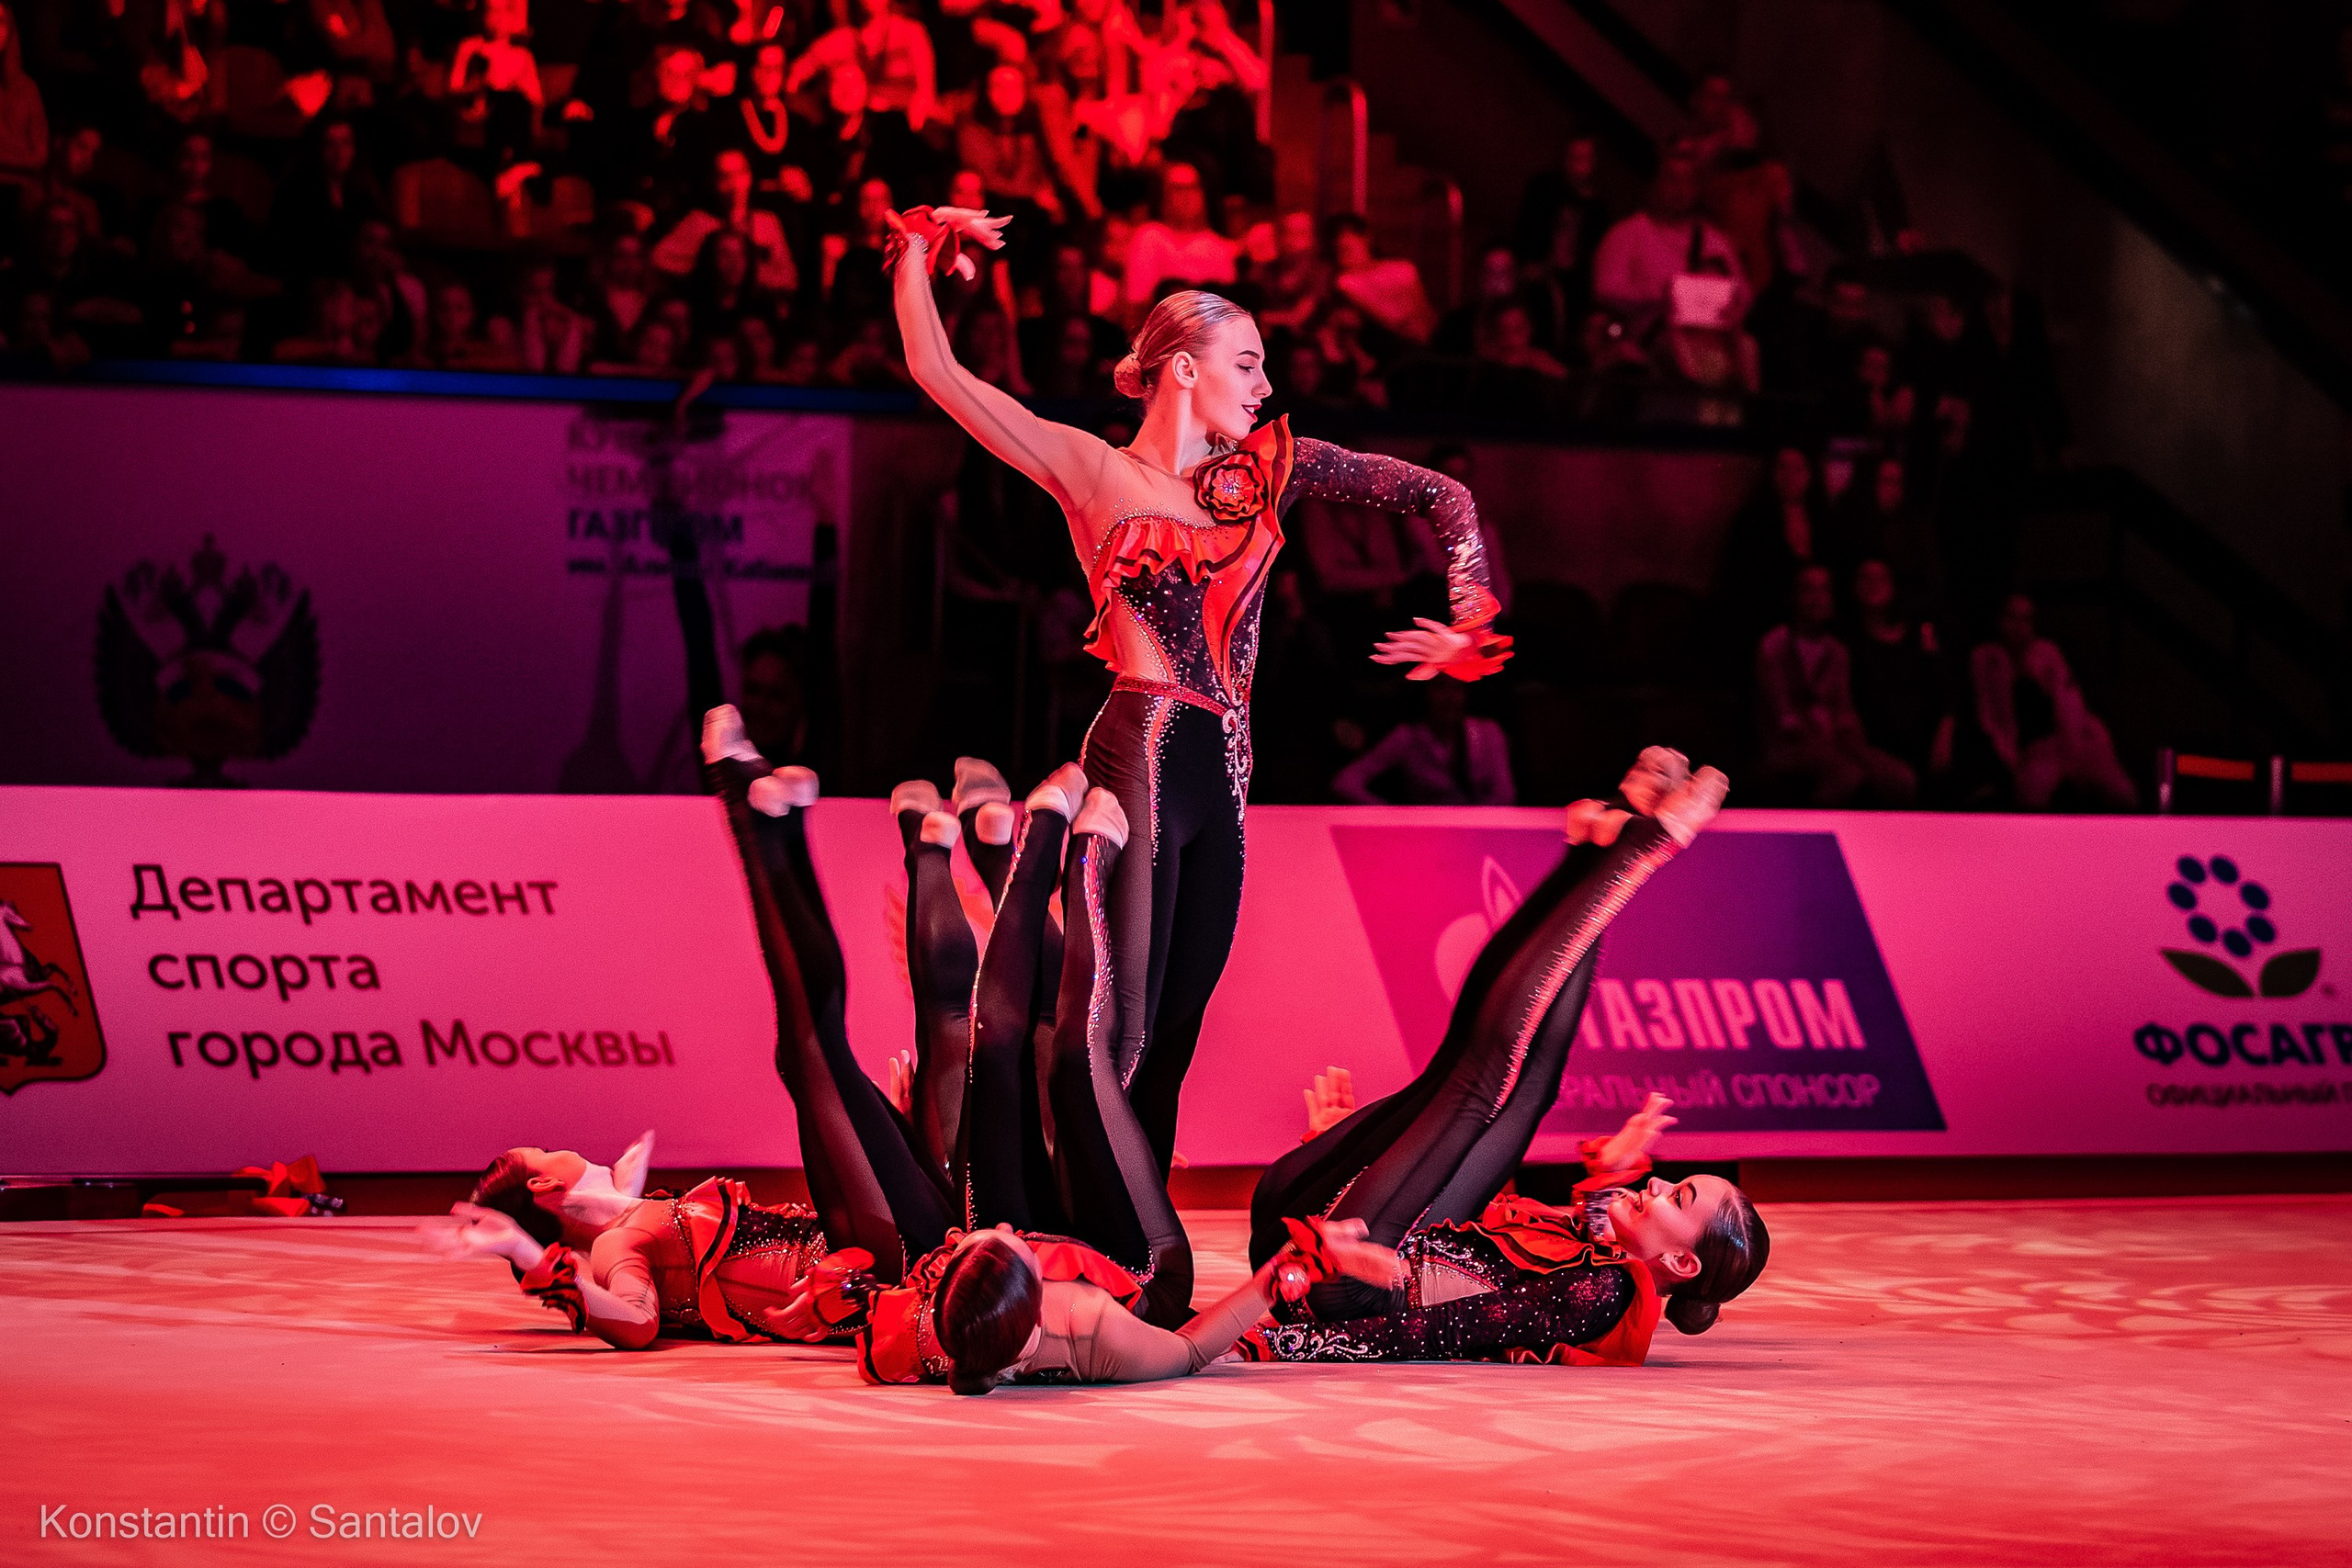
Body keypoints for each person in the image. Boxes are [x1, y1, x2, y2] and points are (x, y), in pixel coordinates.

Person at [889, 203, 1510, 1185]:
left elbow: (1444, 495)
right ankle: (1061, 1212)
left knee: (1174, 1034)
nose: (1265, 387)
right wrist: (919, 247)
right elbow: (940, 374)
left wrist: (1471, 606)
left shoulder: (1265, 477)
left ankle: (1126, 1234)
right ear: (1184, 368)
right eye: (1248, 364)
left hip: (1224, 780)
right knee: (1122, 1028)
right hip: (1139, 746)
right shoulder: (1094, 470)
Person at [1245, 750, 1770, 1364]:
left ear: (1681, 1261)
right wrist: (1607, 1176)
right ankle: (1600, 848)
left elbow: (1446, 1331)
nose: (1657, 1181)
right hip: (1329, 1240)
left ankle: (1629, 849)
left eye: (1676, 1197)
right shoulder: (1606, 1253)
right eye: (1676, 1182)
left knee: (1483, 1086)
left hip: (1341, 1288)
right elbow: (1584, 1229)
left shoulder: (1608, 1293)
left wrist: (1273, 1343)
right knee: (1497, 1083)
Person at [1755, 564, 1915, 807]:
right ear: (1793, 596)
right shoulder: (1775, 645)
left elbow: (1844, 710)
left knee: (1899, 778)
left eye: (1824, 590)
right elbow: (1784, 716)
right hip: (1787, 745)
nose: (1817, 599)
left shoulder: (1837, 651)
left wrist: (1854, 740)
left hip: (1835, 743)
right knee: (1847, 776)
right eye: (1808, 590)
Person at [1971, 593, 2137, 811]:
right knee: (2033, 792)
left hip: (2072, 741)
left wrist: (2074, 751)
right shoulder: (1986, 658)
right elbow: (1989, 716)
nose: (2019, 627)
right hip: (2032, 752)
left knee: (2121, 791)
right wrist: (2009, 758)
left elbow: (2070, 705)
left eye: (2026, 619)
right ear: (1999, 620)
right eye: (2012, 617)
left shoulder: (2047, 653)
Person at [1332, 679, 1514, 806]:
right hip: (1429, 834)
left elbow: (1505, 794)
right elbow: (1345, 782)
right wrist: (1391, 814)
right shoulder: (1407, 738)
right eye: (1440, 687)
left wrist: (1474, 823)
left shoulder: (1488, 733)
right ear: (1423, 692)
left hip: (1480, 831)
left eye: (1458, 688)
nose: (1449, 697)